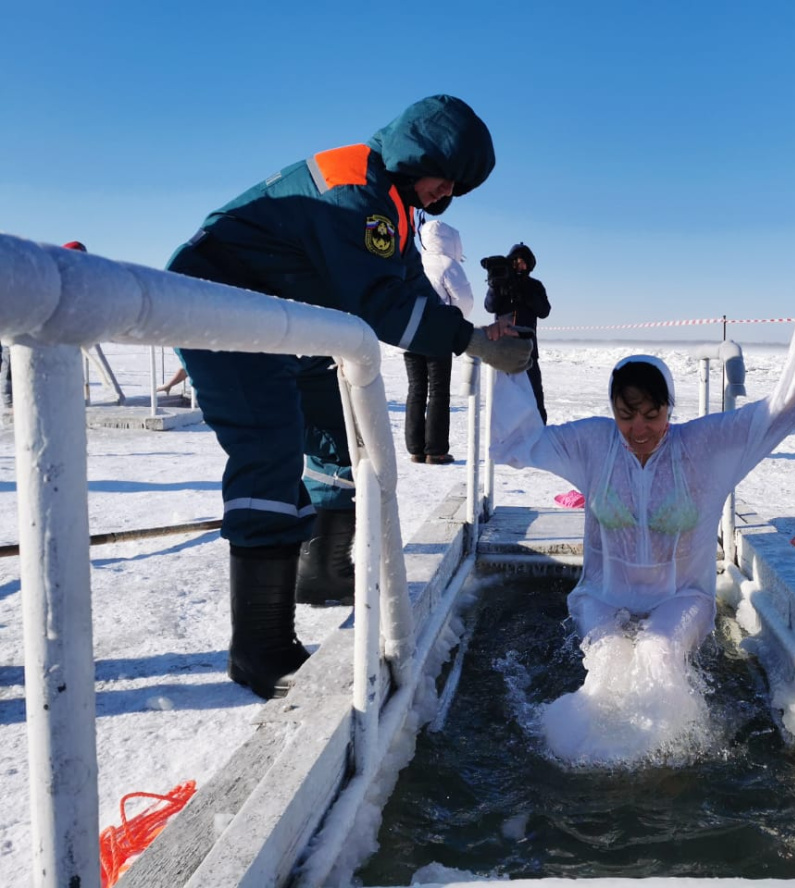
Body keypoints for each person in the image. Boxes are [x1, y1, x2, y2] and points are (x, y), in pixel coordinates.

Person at [165, 95, 533, 700]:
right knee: (269, 448)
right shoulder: (356, 191)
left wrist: (474, 334)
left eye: (457, 188)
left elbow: (407, 284)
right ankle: (259, 648)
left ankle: (324, 570)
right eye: (445, 178)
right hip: (219, 306)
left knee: (340, 433)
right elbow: (381, 305)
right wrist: (470, 343)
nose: (446, 194)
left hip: (286, 320)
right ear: (419, 153)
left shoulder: (391, 201)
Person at [490, 293, 795, 684]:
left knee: (658, 654)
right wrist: (508, 366)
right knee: (607, 658)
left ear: (668, 407)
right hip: (603, 594)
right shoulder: (593, 444)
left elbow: (783, 410)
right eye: (626, 415)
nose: (639, 430)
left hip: (683, 597)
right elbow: (519, 443)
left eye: (651, 415)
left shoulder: (703, 448)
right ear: (612, 408)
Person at [405, 219, 474, 465]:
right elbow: (464, 301)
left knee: (416, 389)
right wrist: (452, 320)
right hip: (437, 336)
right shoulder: (448, 264)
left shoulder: (413, 261)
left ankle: (415, 448)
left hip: (410, 335)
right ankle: (436, 450)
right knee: (438, 391)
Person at [485, 242, 550, 421]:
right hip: (503, 349)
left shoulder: (535, 285)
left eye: (523, 262)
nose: (519, 266)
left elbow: (544, 311)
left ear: (529, 264)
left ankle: (540, 430)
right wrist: (494, 287)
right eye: (516, 262)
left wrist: (526, 295)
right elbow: (490, 307)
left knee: (534, 398)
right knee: (504, 399)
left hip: (527, 351)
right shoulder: (501, 283)